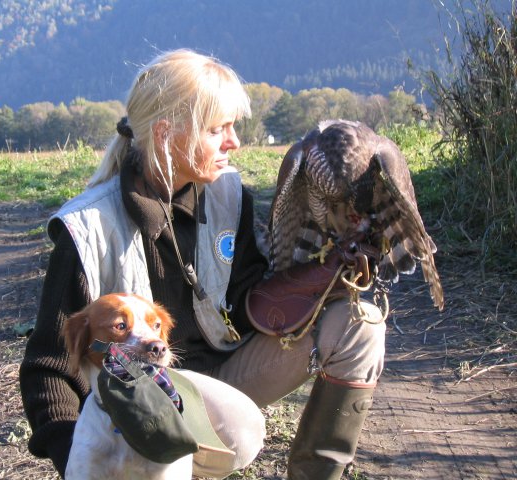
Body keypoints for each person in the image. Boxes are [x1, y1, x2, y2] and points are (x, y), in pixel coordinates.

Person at [20, 48, 386, 480]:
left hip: (223, 373)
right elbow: (49, 366)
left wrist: (317, 278)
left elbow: (247, 297)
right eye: (218, 130)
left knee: (359, 324)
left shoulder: (229, 194)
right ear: (165, 134)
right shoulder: (87, 228)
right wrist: (78, 457)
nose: (234, 142)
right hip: (131, 397)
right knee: (240, 430)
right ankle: (155, 457)